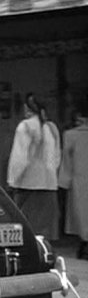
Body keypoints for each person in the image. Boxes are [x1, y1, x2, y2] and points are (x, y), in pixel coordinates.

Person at [7, 93, 61, 241]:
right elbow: (56, 159)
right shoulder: (52, 128)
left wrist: (12, 180)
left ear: (26, 107)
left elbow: (20, 157)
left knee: (24, 229)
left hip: (27, 184)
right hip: (49, 185)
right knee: (42, 232)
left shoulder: (25, 127)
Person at [58, 97, 88, 259]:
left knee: (81, 213)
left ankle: (85, 242)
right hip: (79, 179)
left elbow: (67, 161)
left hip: (79, 180)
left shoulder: (71, 135)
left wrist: (63, 181)